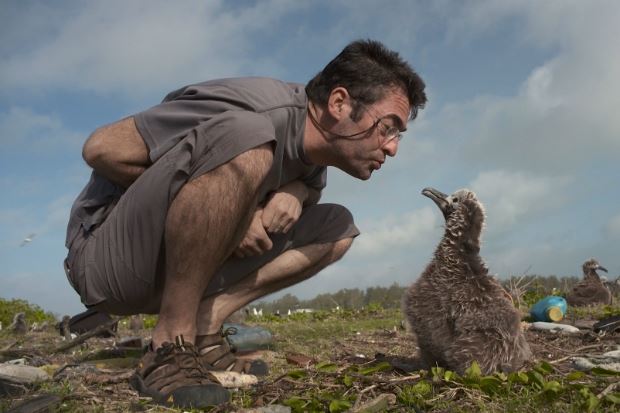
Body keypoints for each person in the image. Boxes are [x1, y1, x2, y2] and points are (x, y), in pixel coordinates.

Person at [64, 39, 426, 408]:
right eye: (388, 128)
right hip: (105, 258)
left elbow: (284, 199)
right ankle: (169, 345)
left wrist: (297, 192)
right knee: (246, 138)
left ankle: (204, 328)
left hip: (169, 269)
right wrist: (243, 205)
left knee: (337, 227)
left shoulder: (315, 163)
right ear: (338, 103)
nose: (392, 147)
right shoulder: (256, 106)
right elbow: (100, 148)